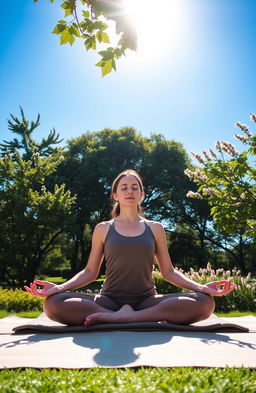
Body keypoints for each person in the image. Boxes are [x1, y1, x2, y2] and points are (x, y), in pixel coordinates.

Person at [25, 169, 236, 326]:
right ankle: (121, 315)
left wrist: (202, 288)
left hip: (147, 301)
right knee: (53, 303)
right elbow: (90, 272)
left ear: (142, 195)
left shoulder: (155, 228)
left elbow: (168, 272)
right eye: (124, 187)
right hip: (108, 301)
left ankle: (126, 318)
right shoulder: (103, 228)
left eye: (135, 187)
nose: (130, 191)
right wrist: (59, 288)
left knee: (204, 302)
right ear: (115, 195)